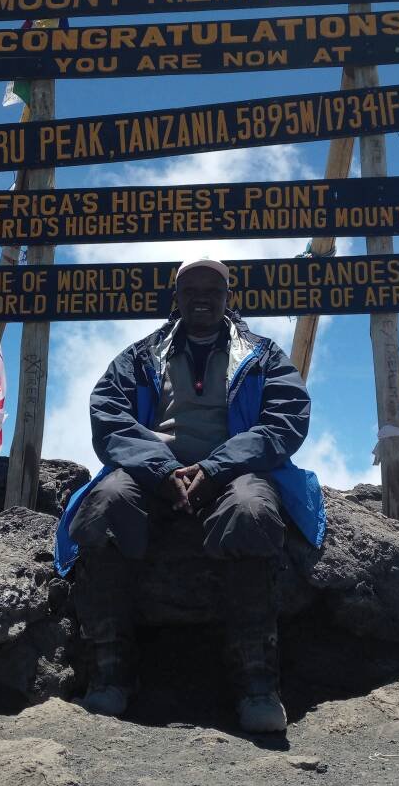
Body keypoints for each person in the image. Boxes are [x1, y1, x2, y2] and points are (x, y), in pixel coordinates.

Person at [54, 256, 325, 733]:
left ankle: (256, 684)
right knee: (107, 505)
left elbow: (286, 418)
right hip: (151, 475)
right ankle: (111, 672)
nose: (202, 297)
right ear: (175, 298)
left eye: (213, 290)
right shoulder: (139, 356)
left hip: (232, 473)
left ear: (228, 298)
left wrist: (215, 468)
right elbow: (109, 416)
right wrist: (163, 471)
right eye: (191, 289)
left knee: (252, 512)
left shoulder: (261, 355)